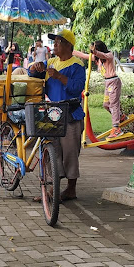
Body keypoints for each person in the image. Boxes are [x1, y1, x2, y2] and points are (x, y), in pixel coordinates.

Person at [29, 29, 86, 201]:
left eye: (58, 42)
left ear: (68, 45)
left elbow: (77, 88)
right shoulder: (51, 61)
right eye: (54, 42)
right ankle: (52, 189)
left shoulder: (77, 65)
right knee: (51, 150)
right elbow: (32, 74)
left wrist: (60, 76)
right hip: (51, 113)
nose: (54, 45)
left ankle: (71, 188)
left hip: (71, 113)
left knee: (70, 152)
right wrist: (35, 68)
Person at [73, 41, 125, 138]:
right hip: (107, 83)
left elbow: (102, 54)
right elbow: (84, 55)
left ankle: (116, 129)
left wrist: (95, 51)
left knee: (113, 105)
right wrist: (70, 51)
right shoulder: (97, 59)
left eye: (96, 49)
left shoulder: (108, 55)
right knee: (106, 105)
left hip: (113, 81)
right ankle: (121, 117)